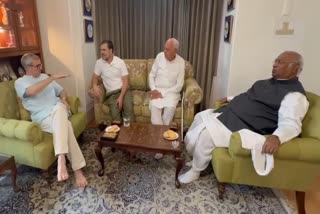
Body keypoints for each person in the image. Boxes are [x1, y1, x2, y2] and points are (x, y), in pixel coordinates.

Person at [178, 51, 309, 184]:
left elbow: (291, 124)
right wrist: (229, 98)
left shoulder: (295, 96)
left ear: (294, 67)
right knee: (200, 116)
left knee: (207, 135)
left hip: (244, 126)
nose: (274, 65)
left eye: (280, 62)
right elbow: (248, 96)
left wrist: (277, 137)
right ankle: (196, 158)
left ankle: (196, 171)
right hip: (230, 113)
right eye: (275, 61)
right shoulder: (265, 83)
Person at [15, 53, 88, 187]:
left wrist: (64, 99)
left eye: (41, 65)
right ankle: (77, 170)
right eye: (38, 66)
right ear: (28, 67)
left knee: (59, 107)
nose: (41, 68)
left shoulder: (44, 77)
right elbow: (31, 92)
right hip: (43, 119)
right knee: (67, 127)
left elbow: (62, 91)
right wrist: (52, 77)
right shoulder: (20, 82)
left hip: (59, 110)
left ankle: (61, 158)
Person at [149, 38, 185, 159]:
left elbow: (179, 85)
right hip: (157, 90)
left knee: (169, 112)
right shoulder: (159, 56)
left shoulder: (181, 62)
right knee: (155, 110)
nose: (164, 51)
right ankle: (162, 143)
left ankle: (159, 144)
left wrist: (164, 93)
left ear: (175, 50)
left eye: (167, 49)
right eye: (164, 48)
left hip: (171, 93)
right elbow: (151, 75)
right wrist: (153, 89)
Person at [91, 40, 133, 123]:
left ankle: (129, 134)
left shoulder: (120, 62)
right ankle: (118, 134)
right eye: (100, 50)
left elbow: (125, 81)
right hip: (111, 94)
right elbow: (94, 77)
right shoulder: (99, 63)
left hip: (123, 91)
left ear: (111, 50)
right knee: (115, 117)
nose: (102, 52)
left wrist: (121, 97)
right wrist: (94, 86)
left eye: (104, 50)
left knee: (128, 112)